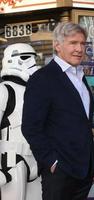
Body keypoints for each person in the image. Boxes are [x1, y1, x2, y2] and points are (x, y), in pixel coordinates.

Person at [21, 22, 94, 200]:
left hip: (84, 171)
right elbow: (30, 127)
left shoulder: (80, 76)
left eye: (82, 43)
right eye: (73, 43)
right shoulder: (42, 78)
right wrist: (51, 161)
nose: (79, 48)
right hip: (60, 173)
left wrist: (93, 163)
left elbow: (82, 123)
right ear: (57, 45)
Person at [0, 43, 41, 200]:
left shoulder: (35, 91)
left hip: (36, 159)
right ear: (11, 60)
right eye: (25, 58)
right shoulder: (4, 90)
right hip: (11, 161)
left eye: (33, 58)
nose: (31, 63)